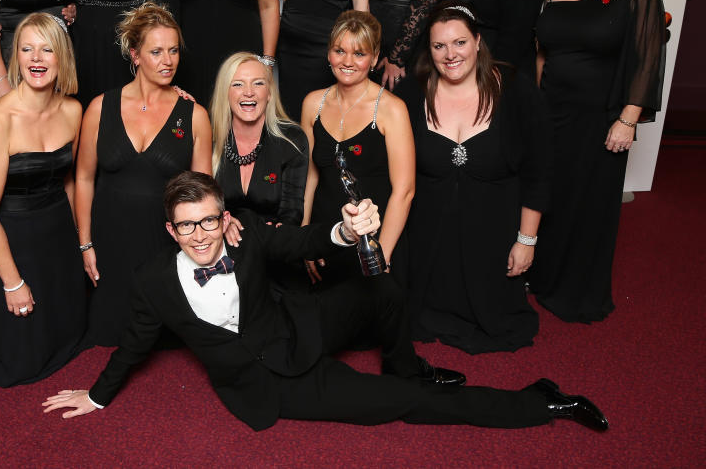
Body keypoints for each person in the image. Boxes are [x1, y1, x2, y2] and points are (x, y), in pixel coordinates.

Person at [42, 171, 609, 434]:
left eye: (209, 221)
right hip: (271, 386)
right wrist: (96, 396)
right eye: (187, 226)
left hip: (298, 325)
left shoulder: (247, 236)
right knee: (400, 405)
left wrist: (342, 230)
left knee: (383, 285)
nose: (201, 235)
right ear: (171, 230)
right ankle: (542, 402)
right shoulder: (151, 281)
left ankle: (409, 362)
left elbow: (303, 240)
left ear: (223, 217)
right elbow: (137, 342)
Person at [528, 0, 667, 323]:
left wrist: (627, 120)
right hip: (550, 109)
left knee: (587, 205)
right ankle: (540, 273)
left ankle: (576, 290)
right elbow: (541, 52)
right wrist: (532, 104)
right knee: (545, 192)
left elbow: (648, 60)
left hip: (600, 119)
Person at [399, 1, 549, 353]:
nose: (450, 54)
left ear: (478, 41)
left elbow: (539, 171)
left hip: (493, 236)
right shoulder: (409, 94)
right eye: (439, 46)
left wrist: (526, 241)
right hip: (426, 241)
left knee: (502, 322)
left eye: (460, 42)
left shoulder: (516, 90)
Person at [75, 2, 212, 347]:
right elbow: (84, 179)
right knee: (106, 334)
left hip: (162, 246)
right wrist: (85, 243)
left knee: (164, 340)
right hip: (110, 240)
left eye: (173, 50)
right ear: (135, 55)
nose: (168, 61)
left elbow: (204, 193)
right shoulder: (98, 107)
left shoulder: (194, 114)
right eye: (156, 51)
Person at [0, 12, 86, 386]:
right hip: (13, 238)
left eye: (47, 49)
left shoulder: (73, 110)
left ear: (61, 56)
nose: (36, 58)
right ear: (15, 56)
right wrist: (12, 283)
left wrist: (80, 243)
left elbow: (68, 181)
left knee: (73, 333)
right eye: (27, 49)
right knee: (19, 362)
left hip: (57, 234)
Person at [301, 11, 414, 286]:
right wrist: (303, 239)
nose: (348, 62)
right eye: (340, 50)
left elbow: (405, 191)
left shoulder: (392, 110)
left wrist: (380, 255)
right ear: (329, 54)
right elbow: (308, 177)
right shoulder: (312, 104)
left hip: (376, 237)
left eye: (359, 53)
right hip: (327, 234)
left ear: (374, 59)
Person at [210, 52, 307, 227]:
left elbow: (292, 212)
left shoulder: (292, 139)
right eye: (238, 84)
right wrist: (223, 223)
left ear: (269, 93)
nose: (249, 92)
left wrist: (278, 233)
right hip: (224, 247)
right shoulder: (211, 139)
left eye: (258, 83)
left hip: (275, 244)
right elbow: (199, 204)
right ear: (225, 93)